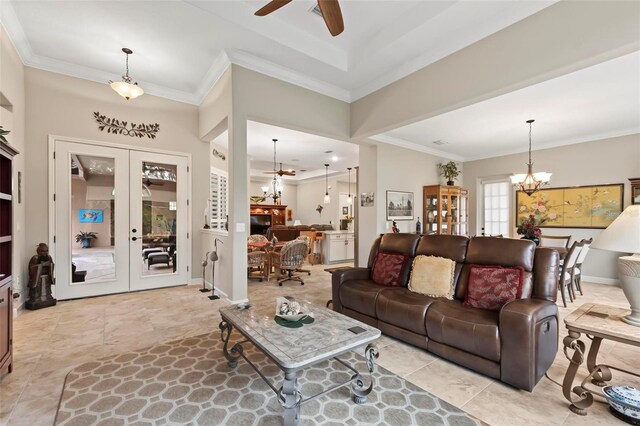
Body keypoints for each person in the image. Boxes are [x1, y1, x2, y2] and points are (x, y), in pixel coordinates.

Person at [27, 243, 57, 309]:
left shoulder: (49, 257)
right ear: (38, 251)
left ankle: (48, 296)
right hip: (37, 278)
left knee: (47, 288)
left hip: (46, 277)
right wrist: (41, 265)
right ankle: (36, 298)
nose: (45, 253)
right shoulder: (35, 258)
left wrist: (50, 264)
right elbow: (31, 268)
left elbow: (52, 264)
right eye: (43, 251)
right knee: (37, 290)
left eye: (46, 251)